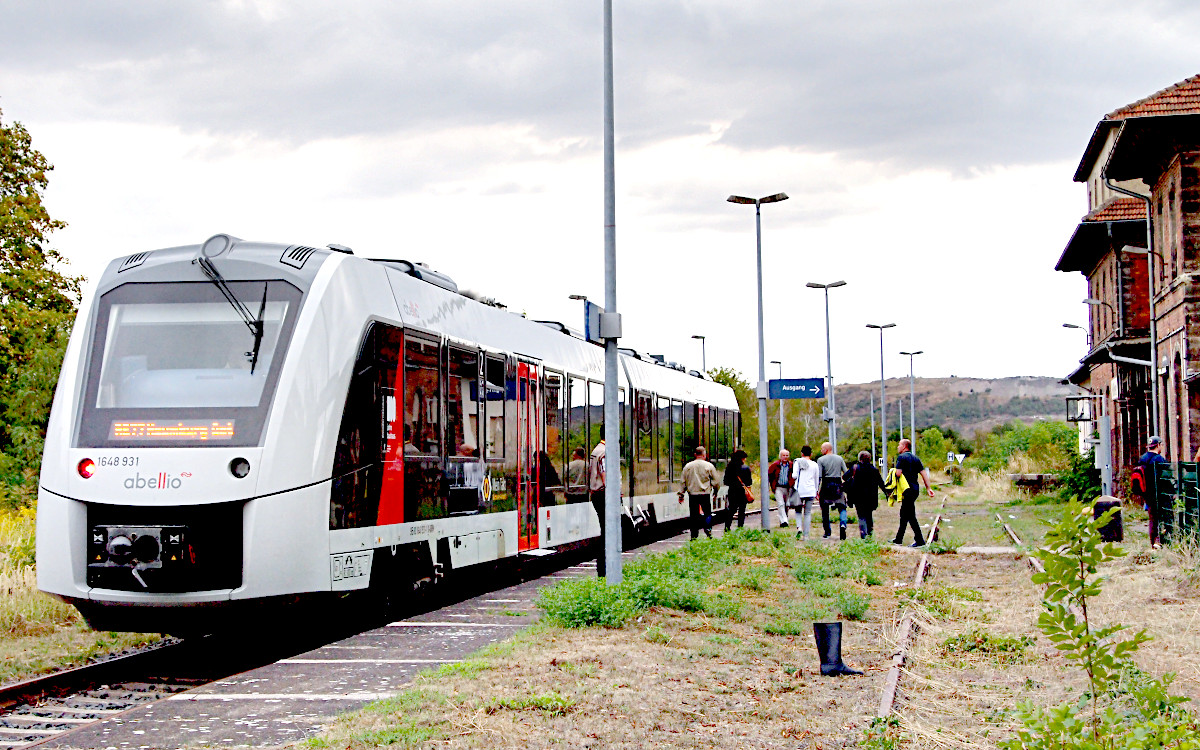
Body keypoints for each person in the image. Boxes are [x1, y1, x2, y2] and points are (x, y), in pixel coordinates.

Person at [893, 438, 935, 547]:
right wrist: (928, 488)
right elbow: (924, 474)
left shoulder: (901, 458)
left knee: (910, 515)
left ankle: (919, 541)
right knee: (905, 513)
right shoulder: (916, 458)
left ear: (904, 446)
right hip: (915, 489)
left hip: (906, 489)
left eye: (899, 445)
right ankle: (898, 539)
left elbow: (898, 473)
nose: (898, 447)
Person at [679, 446, 721, 540]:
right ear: (704, 455)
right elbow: (716, 481)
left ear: (695, 455)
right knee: (707, 513)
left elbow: (683, 481)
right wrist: (716, 491)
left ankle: (694, 535)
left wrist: (681, 494)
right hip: (705, 494)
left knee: (694, 515)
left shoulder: (688, 466)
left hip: (693, 495)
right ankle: (708, 530)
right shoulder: (709, 466)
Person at [845, 450, 886, 538]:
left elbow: (844, 477)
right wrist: (887, 493)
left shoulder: (855, 468)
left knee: (861, 516)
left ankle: (863, 535)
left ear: (859, 459)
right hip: (871, 498)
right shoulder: (874, 470)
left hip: (858, 497)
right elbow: (881, 483)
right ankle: (870, 534)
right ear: (869, 459)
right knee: (869, 515)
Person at [1138, 435, 1168, 548]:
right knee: (1164, 517)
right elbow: (1166, 477)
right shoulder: (1159, 459)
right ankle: (1161, 541)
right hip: (1159, 493)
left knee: (1152, 518)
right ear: (1159, 445)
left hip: (1146, 493)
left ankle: (1153, 542)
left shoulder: (1142, 458)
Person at [817, 442, 850, 539]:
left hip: (826, 484)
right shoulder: (839, 459)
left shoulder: (821, 460)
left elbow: (819, 475)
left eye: (822, 449)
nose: (821, 450)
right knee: (842, 506)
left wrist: (817, 489)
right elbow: (846, 472)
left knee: (825, 509)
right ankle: (843, 524)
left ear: (826, 449)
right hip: (838, 484)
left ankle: (827, 532)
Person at [791, 445, 821, 541]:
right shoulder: (815, 464)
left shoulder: (797, 462)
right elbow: (817, 479)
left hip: (799, 490)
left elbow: (794, 476)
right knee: (807, 513)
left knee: (798, 510)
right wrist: (816, 491)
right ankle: (806, 535)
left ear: (801, 453)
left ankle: (799, 527)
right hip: (811, 490)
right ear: (811, 454)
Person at [589, 439, 608, 576]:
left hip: (597, 494)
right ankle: (603, 569)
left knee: (605, 531)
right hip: (603, 494)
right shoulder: (604, 452)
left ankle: (602, 568)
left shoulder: (597, 450)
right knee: (608, 533)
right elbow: (605, 474)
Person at [724, 449, 750, 531]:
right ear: (742, 458)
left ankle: (727, 527)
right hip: (742, 492)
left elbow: (725, 481)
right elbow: (749, 482)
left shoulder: (729, 467)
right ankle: (740, 527)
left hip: (732, 491)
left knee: (731, 509)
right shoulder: (745, 468)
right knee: (742, 510)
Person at [768, 449, 793, 527]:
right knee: (780, 504)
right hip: (778, 487)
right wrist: (772, 486)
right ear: (780, 456)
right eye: (783, 455)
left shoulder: (791, 465)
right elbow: (770, 475)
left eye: (786, 455)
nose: (785, 457)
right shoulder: (775, 465)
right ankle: (784, 521)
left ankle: (783, 520)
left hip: (788, 487)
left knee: (786, 504)